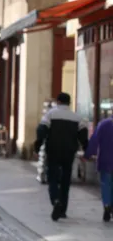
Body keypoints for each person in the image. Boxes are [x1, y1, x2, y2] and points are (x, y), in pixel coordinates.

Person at [34, 92, 89, 222]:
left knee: (52, 177)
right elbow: (83, 135)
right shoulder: (77, 117)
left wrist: (37, 146)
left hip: (53, 151)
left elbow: (41, 130)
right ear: (69, 103)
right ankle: (63, 209)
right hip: (69, 152)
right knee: (65, 180)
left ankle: (56, 200)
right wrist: (86, 149)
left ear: (58, 101)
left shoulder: (51, 114)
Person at [84, 116, 113, 221]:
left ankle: (107, 206)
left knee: (106, 184)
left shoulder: (104, 124)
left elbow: (94, 140)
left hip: (106, 161)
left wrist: (87, 154)